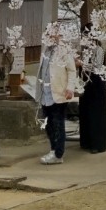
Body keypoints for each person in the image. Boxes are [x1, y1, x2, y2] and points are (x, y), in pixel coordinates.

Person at [34, 21, 76, 164]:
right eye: (48, 32)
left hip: (59, 91)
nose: (50, 35)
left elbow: (71, 70)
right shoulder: (45, 49)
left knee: (58, 123)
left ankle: (58, 154)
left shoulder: (64, 49)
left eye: (52, 32)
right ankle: (53, 150)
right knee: (48, 123)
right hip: (45, 92)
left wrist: (70, 88)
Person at [77, 24, 106, 154]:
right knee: (85, 111)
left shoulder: (99, 49)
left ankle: (97, 143)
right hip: (86, 83)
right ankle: (86, 141)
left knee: (96, 113)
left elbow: (97, 66)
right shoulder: (85, 50)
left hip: (96, 83)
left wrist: (81, 64)